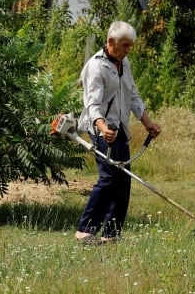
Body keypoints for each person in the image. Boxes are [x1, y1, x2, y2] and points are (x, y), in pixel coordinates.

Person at [75, 21, 162, 244]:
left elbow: (132, 94)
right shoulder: (96, 66)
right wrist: (103, 129)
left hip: (120, 128)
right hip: (101, 130)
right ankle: (85, 230)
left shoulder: (125, 63)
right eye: (124, 46)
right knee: (109, 177)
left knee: (123, 180)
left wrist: (147, 122)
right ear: (111, 42)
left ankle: (111, 234)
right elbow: (92, 105)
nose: (127, 50)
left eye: (130, 46)